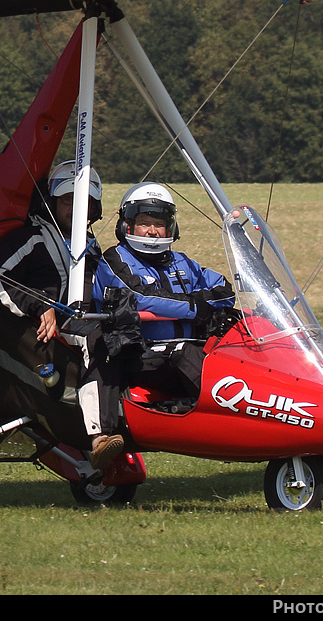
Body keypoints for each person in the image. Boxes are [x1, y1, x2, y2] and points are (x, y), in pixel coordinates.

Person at [76, 181, 236, 471]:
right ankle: (237, 419)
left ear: (170, 227)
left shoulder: (181, 262)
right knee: (188, 354)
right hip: (141, 356)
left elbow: (223, 289)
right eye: (144, 223)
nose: (152, 231)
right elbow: (140, 298)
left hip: (191, 353)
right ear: (127, 225)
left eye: (159, 224)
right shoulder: (114, 260)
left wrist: (202, 302)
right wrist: (194, 306)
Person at [0, 160, 104, 446]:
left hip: (86, 325)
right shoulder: (31, 239)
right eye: (69, 200)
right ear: (51, 202)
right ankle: (98, 430)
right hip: (47, 338)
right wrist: (40, 304)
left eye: (86, 203)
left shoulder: (92, 248)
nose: (77, 209)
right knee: (97, 341)